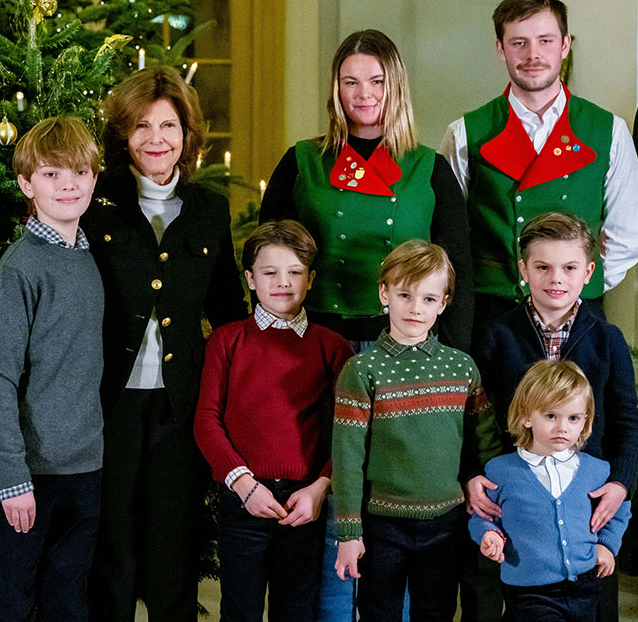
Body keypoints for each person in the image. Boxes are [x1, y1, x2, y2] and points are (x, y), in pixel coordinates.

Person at [81, 65, 246, 622]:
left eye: (169, 125)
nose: (156, 139)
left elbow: (227, 312)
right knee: (113, 548)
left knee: (173, 549)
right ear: (123, 134)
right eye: (142, 126)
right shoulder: (94, 201)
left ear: (187, 134)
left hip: (182, 406)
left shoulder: (209, 209)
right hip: (110, 402)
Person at [466, 212, 638, 620]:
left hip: (587, 502)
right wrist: (471, 475)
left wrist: (621, 484)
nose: (556, 278)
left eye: (569, 268)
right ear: (523, 270)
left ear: (588, 273)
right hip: (517, 503)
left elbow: (627, 421)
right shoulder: (497, 336)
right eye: (543, 267)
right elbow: (473, 416)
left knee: (594, 602)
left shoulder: (607, 338)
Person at [438, 0, 638, 330]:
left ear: (565, 45)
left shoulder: (609, 131)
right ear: (500, 49)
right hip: (491, 315)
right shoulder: (464, 133)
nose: (533, 54)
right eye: (519, 43)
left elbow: (627, 232)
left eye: (545, 41)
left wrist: (579, 284)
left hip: (580, 315)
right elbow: (449, 232)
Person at [260, 28, 472, 351]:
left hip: (408, 341)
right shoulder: (301, 161)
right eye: (351, 82)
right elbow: (265, 258)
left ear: (396, 86)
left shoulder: (431, 168)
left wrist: (454, 357)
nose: (364, 94)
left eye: (377, 81)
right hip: (313, 338)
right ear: (336, 88)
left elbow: (459, 273)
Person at [0, 115, 105, 622]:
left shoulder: (86, 259)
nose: (68, 185)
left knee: (68, 598)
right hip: (25, 469)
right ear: (27, 184)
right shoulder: (20, 270)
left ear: (94, 178)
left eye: (79, 172)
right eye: (51, 174)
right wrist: (11, 475)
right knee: (11, 598)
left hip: (82, 465)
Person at [331, 240, 500, 622]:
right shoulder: (362, 370)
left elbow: (485, 441)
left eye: (428, 299)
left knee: (436, 613)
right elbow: (347, 457)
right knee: (378, 613)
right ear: (384, 294)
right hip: (382, 524)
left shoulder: (461, 368)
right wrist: (349, 533)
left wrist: (491, 503)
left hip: (446, 523)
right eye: (405, 295)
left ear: (443, 303)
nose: (415, 308)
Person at [194, 220, 353, 622]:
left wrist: (321, 487)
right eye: (269, 272)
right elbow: (207, 420)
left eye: (295, 272)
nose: (283, 282)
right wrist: (243, 485)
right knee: (240, 610)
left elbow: (349, 432)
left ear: (311, 279)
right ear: (250, 279)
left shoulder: (332, 347)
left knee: (297, 609)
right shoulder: (227, 340)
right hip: (242, 498)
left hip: (304, 503)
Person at [470, 359, 631, 622]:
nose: (562, 428)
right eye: (551, 416)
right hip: (529, 591)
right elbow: (482, 516)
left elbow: (620, 508)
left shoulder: (597, 470)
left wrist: (607, 545)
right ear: (526, 416)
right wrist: (489, 534)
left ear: (585, 420)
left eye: (573, 418)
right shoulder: (501, 471)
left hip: (586, 585)